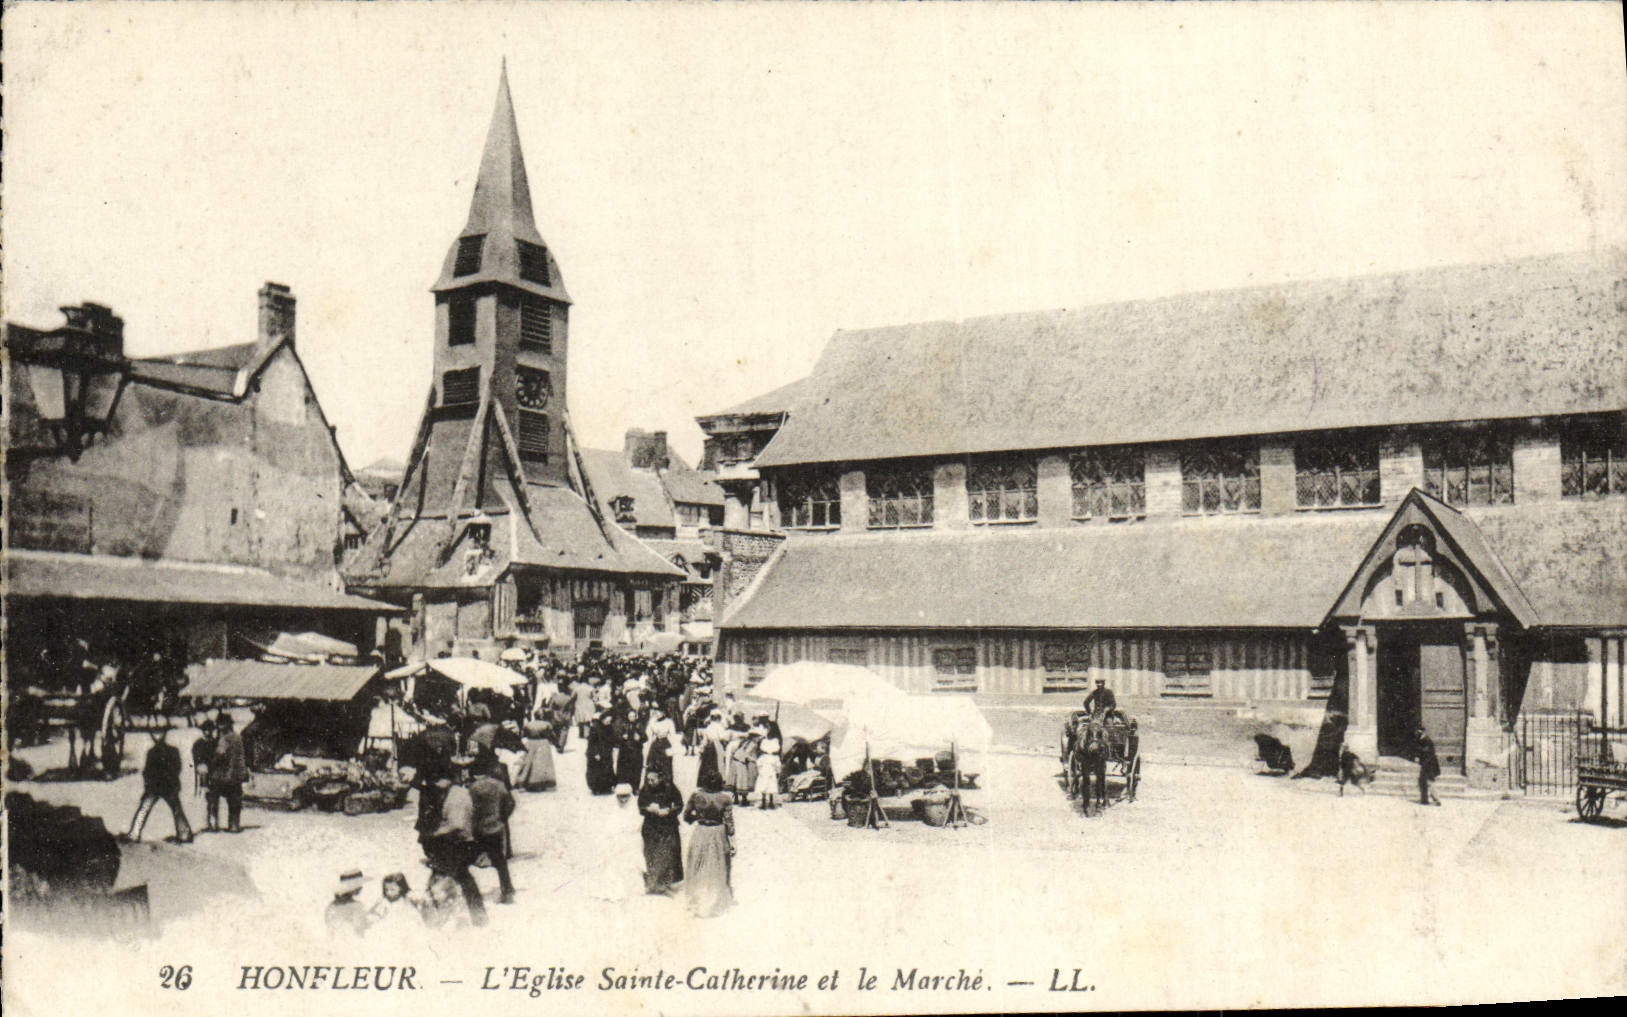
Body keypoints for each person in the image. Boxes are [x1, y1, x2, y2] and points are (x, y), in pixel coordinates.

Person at [425, 756, 487, 925]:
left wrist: (435, 833)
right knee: (460, 879)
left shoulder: (456, 797)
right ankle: (476, 914)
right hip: (456, 843)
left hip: (460, 844)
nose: (435, 786)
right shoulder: (452, 792)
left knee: (452, 878)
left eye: (438, 781)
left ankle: (448, 916)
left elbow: (457, 825)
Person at [125, 727, 193, 844]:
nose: (157, 737)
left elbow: (176, 768)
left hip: (165, 786)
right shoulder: (154, 752)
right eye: (155, 735)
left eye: (159, 734)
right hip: (159, 786)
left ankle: (185, 834)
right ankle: (134, 834)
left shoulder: (169, 751)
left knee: (174, 810)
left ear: (164, 736)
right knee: (146, 809)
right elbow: (147, 771)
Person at [683, 769, 735, 918]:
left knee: (698, 864)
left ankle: (697, 899)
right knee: (717, 865)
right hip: (718, 832)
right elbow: (730, 824)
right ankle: (715, 899)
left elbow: (686, 816)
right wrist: (731, 838)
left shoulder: (696, 796)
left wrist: (696, 817)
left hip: (701, 831)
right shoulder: (725, 799)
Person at [469, 759, 516, 904]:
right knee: (500, 860)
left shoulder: (474, 788)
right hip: (496, 828)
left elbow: (471, 809)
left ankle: (470, 892)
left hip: (480, 828)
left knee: (467, 858)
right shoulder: (499, 785)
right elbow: (511, 803)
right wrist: (503, 817)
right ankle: (507, 888)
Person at [638, 769, 684, 895]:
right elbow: (640, 807)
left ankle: (667, 883)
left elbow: (679, 805)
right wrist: (649, 809)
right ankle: (653, 882)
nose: (650, 782)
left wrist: (669, 811)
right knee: (651, 853)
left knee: (668, 854)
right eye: (648, 780)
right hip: (651, 826)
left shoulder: (670, 787)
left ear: (660, 779)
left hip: (668, 825)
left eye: (653, 779)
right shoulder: (645, 789)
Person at [206, 711, 248, 833]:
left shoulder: (225, 738)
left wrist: (210, 763)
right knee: (235, 801)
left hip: (224, 775)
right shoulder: (238, 737)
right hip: (237, 774)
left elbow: (219, 754)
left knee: (213, 796)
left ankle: (213, 824)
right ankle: (234, 825)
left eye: (219, 724)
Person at [513, 711, 558, 792]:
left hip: (531, 742)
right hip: (543, 743)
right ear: (542, 716)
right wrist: (555, 743)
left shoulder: (529, 724)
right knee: (543, 762)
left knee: (529, 762)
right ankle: (545, 781)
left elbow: (523, 734)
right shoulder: (546, 724)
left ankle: (524, 780)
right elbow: (551, 734)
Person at [325, 869, 370, 937]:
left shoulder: (331, 906)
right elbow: (360, 932)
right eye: (358, 884)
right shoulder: (357, 906)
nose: (361, 887)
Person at [585, 714, 617, 795]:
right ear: (603, 719)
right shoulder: (595, 728)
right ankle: (596, 788)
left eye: (610, 721)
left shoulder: (610, 728)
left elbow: (613, 739)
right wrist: (595, 753)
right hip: (597, 753)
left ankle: (606, 787)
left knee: (607, 769)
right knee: (597, 771)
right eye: (607, 720)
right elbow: (591, 742)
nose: (608, 722)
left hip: (607, 753)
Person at [1414, 727, 1442, 806]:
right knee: (1422, 781)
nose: (1417, 733)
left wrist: (1423, 764)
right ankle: (1424, 799)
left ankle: (1436, 799)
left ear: (1422, 732)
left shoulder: (1427, 740)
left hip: (1429, 765)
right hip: (1426, 765)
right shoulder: (1421, 740)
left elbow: (1428, 754)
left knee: (1430, 782)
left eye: (1418, 732)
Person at [755, 730, 782, 810]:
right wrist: (777, 772)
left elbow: (758, 764)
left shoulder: (762, 757)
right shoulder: (775, 757)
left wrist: (759, 771)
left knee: (763, 786)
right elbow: (778, 765)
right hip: (771, 772)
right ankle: (771, 802)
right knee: (771, 787)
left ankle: (763, 802)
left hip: (763, 771)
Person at [190, 720, 215, 797]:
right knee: (204, 768)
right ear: (203, 731)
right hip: (203, 764)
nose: (208, 732)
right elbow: (197, 756)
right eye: (206, 730)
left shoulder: (214, 741)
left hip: (213, 763)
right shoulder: (198, 743)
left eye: (210, 730)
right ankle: (205, 787)